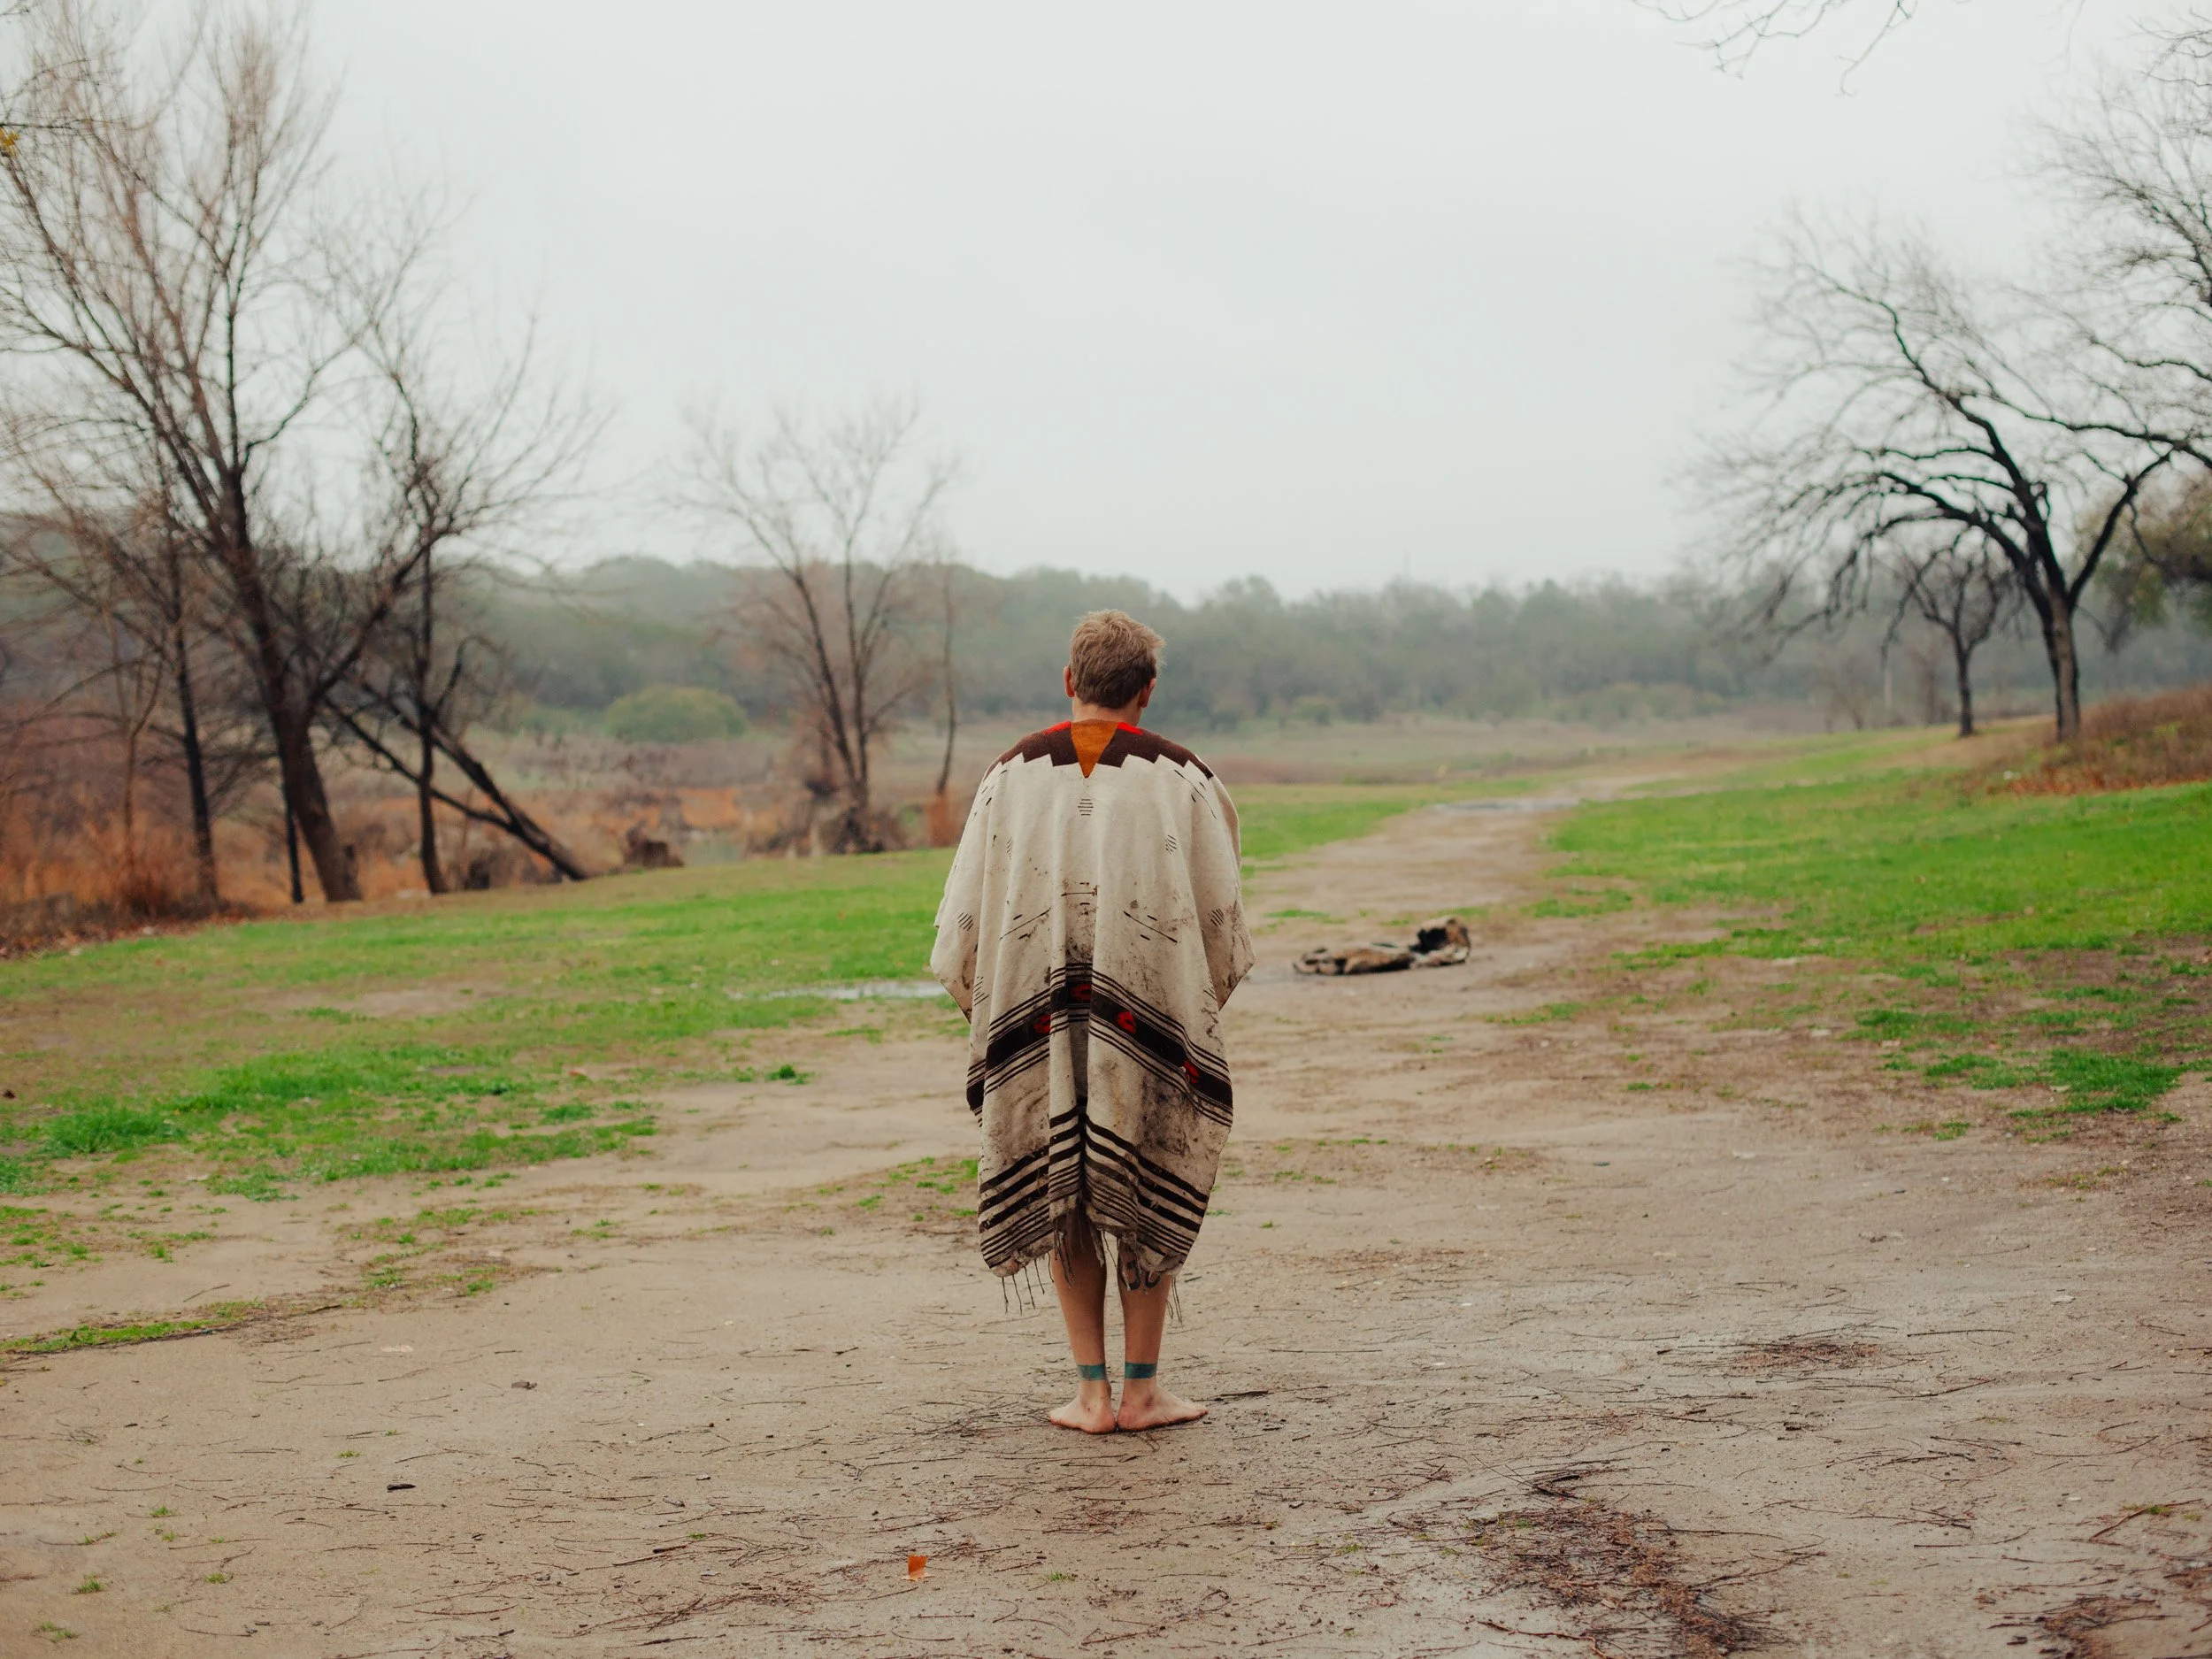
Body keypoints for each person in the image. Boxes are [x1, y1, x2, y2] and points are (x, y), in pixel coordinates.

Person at [931, 611, 1254, 1432]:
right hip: (1145, 1020)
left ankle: (1090, 1394)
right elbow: (1220, 926)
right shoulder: (1184, 777)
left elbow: (960, 929)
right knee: (1139, 1168)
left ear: (1069, 682)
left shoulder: (1007, 775)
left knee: (1063, 1177)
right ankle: (1144, 1391)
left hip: (1034, 1013)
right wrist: (1180, 1007)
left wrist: (995, 1006)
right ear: (1146, 692)